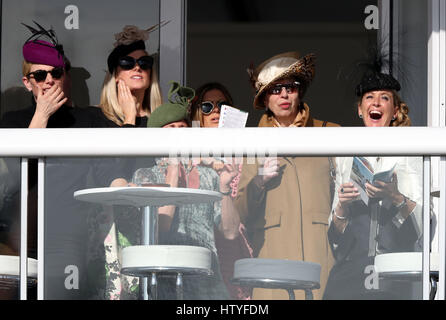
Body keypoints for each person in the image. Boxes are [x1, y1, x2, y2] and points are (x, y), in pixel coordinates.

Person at [234, 51, 339, 300]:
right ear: (265, 98)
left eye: (290, 87)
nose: (283, 94)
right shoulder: (252, 142)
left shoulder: (329, 132)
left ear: (299, 92)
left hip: (320, 257)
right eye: (275, 89)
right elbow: (241, 213)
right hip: (272, 259)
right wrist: (258, 181)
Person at [323, 66, 423, 300]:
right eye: (369, 97)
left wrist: (395, 197)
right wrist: (342, 207)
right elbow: (335, 236)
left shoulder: (413, 152)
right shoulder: (345, 154)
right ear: (360, 109)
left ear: (395, 110)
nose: (376, 103)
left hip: (394, 274)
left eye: (384, 98)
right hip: (350, 275)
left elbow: (424, 226)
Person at [190, 82, 253, 299]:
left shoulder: (244, 154)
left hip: (236, 246)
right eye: (207, 106)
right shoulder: (190, 155)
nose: (216, 110)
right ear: (198, 113)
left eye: (222, 105)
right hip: (201, 248)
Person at [91, 25, 163, 128]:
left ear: (150, 74)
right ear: (115, 75)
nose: (137, 67)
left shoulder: (161, 123)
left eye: (144, 62)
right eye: (127, 62)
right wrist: (129, 118)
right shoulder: (94, 117)